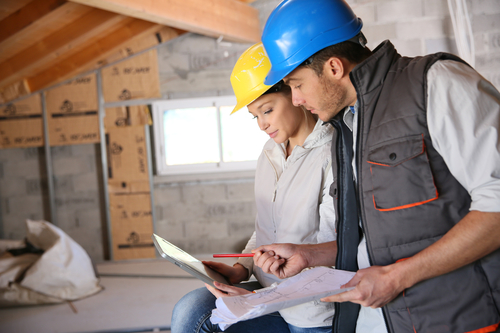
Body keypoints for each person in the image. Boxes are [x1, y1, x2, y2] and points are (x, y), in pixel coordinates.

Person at [251, 0, 500, 333]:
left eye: (297, 84)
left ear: (334, 68)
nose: (295, 99)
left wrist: (397, 277)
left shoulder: (436, 82)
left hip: (456, 319)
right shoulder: (349, 126)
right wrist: (310, 255)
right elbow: (380, 236)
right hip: (383, 321)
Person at [170, 42, 337, 333]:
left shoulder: (331, 155)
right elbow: (265, 228)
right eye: (255, 116)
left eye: (267, 110)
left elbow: (333, 256)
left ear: (295, 92)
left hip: (309, 310)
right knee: (191, 309)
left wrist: (259, 300)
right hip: (265, 290)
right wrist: (240, 269)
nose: (261, 124)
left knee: (198, 318)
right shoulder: (270, 153)